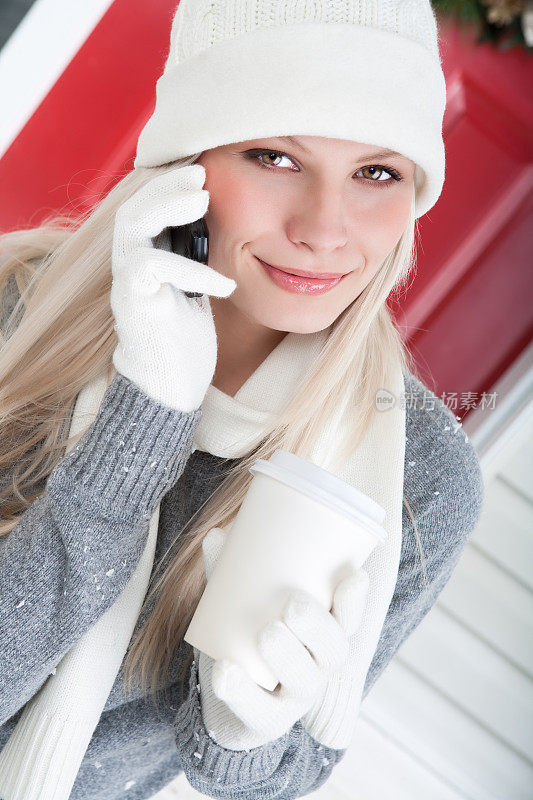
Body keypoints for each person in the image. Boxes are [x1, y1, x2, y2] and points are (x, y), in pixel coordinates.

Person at [0, 1, 485, 799]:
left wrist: (240, 735)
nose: (324, 230)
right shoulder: (18, 303)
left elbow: (293, 772)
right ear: (186, 165)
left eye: (376, 173)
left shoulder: (418, 475)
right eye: (273, 156)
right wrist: (148, 412)